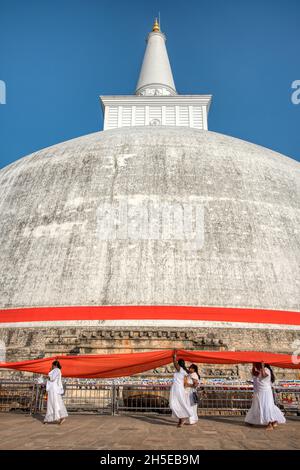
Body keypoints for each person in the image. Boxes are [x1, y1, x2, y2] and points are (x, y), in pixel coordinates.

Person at [245, 362, 286, 430]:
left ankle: (269, 423)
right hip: (258, 391)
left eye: (255, 364)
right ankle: (252, 420)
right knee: (257, 406)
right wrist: (253, 366)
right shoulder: (257, 370)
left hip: (265, 392)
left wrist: (262, 366)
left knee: (266, 406)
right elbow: (254, 375)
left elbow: (264, 375)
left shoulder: (266, 370)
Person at [169, 351, 193, 427]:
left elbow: (174, 363)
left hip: (177, 389)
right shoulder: (184, 371)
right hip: (177, 388)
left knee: (175, 404)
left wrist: (174, 357)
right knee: (178, 403)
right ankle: (181, 419)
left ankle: (182, 418)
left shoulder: (180, 369)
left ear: (179, 364)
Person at [44, 360, 68, 425]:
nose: (51, 366)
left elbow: (52, 378)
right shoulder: (57, 370)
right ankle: (51, 418)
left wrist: (47, 376)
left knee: (54, 402)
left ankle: (54, 418)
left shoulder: (57, 370)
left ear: (54, 365)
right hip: (53, 389)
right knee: (54, 402)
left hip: (54, 389)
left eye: (52, 365)